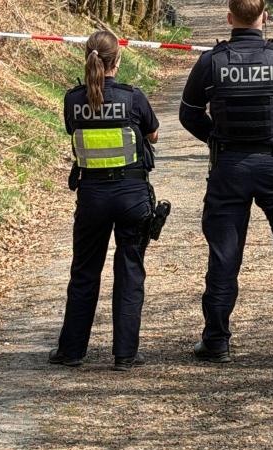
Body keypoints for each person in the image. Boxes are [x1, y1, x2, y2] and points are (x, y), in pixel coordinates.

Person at [179, 0, 273, 362]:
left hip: (229, 169)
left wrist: (216, 139)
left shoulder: (211, 62)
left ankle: (216, 342)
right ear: (264, 17)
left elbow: (188, 115)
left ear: (230, 18)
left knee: (224, 257)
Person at [49, 30, 160, 372]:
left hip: (92, 197)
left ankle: (71, 351)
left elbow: (74, 129)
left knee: (84, 272)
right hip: (131, 197)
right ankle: (125, 354)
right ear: (118, 60)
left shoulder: (72, 101)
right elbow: (153, 134)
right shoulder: (133, 98)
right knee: (129, 272)